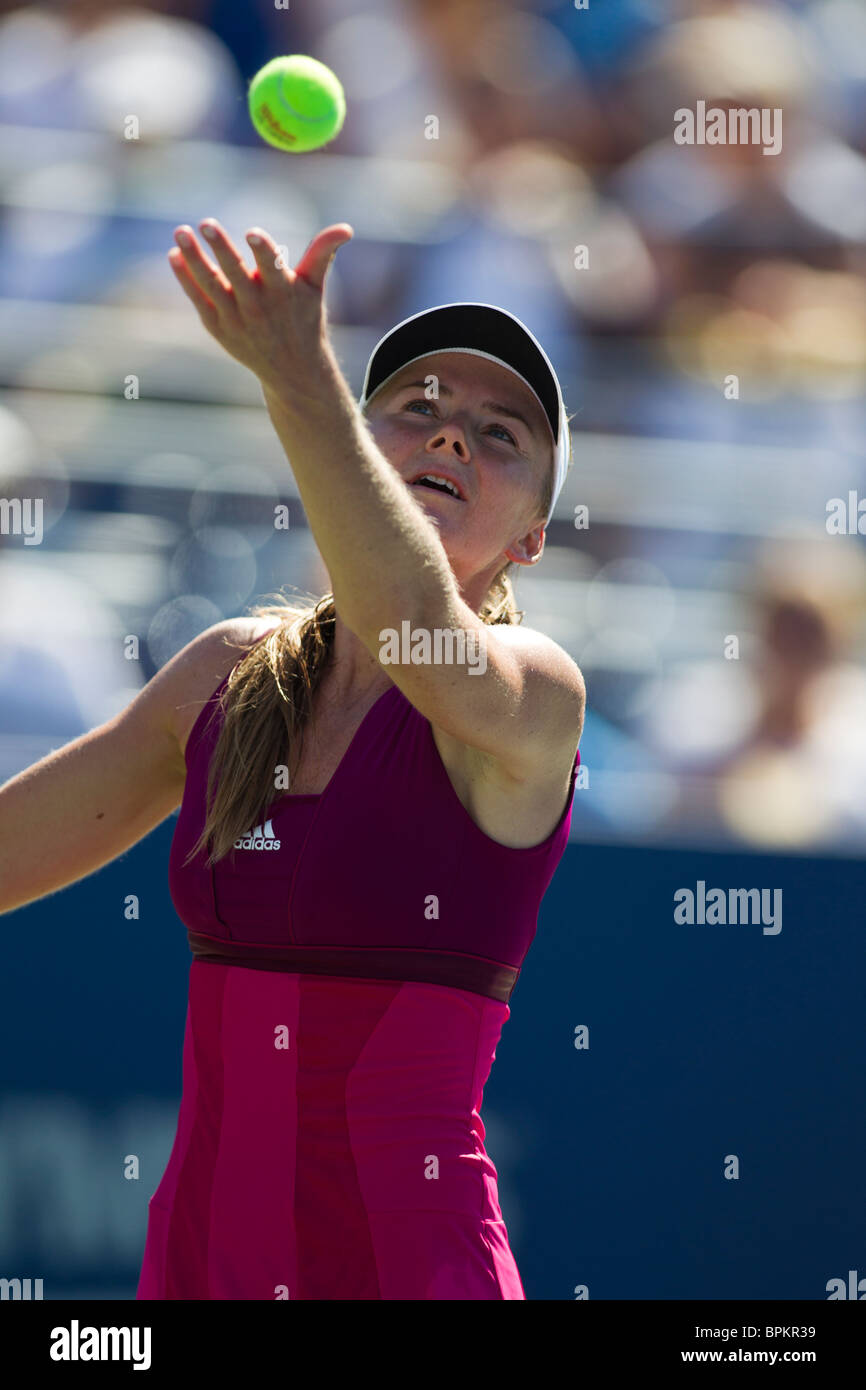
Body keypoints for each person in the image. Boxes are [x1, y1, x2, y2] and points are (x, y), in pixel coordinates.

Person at [0, 218, 584, 1299]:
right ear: (361, 445)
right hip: (197, 1271)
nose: (451, 437)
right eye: (419, 410)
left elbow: (405, 611)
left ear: (533, 536)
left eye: (497, 434)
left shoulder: (533, 691)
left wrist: (298, 376)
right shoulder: (221, 676)